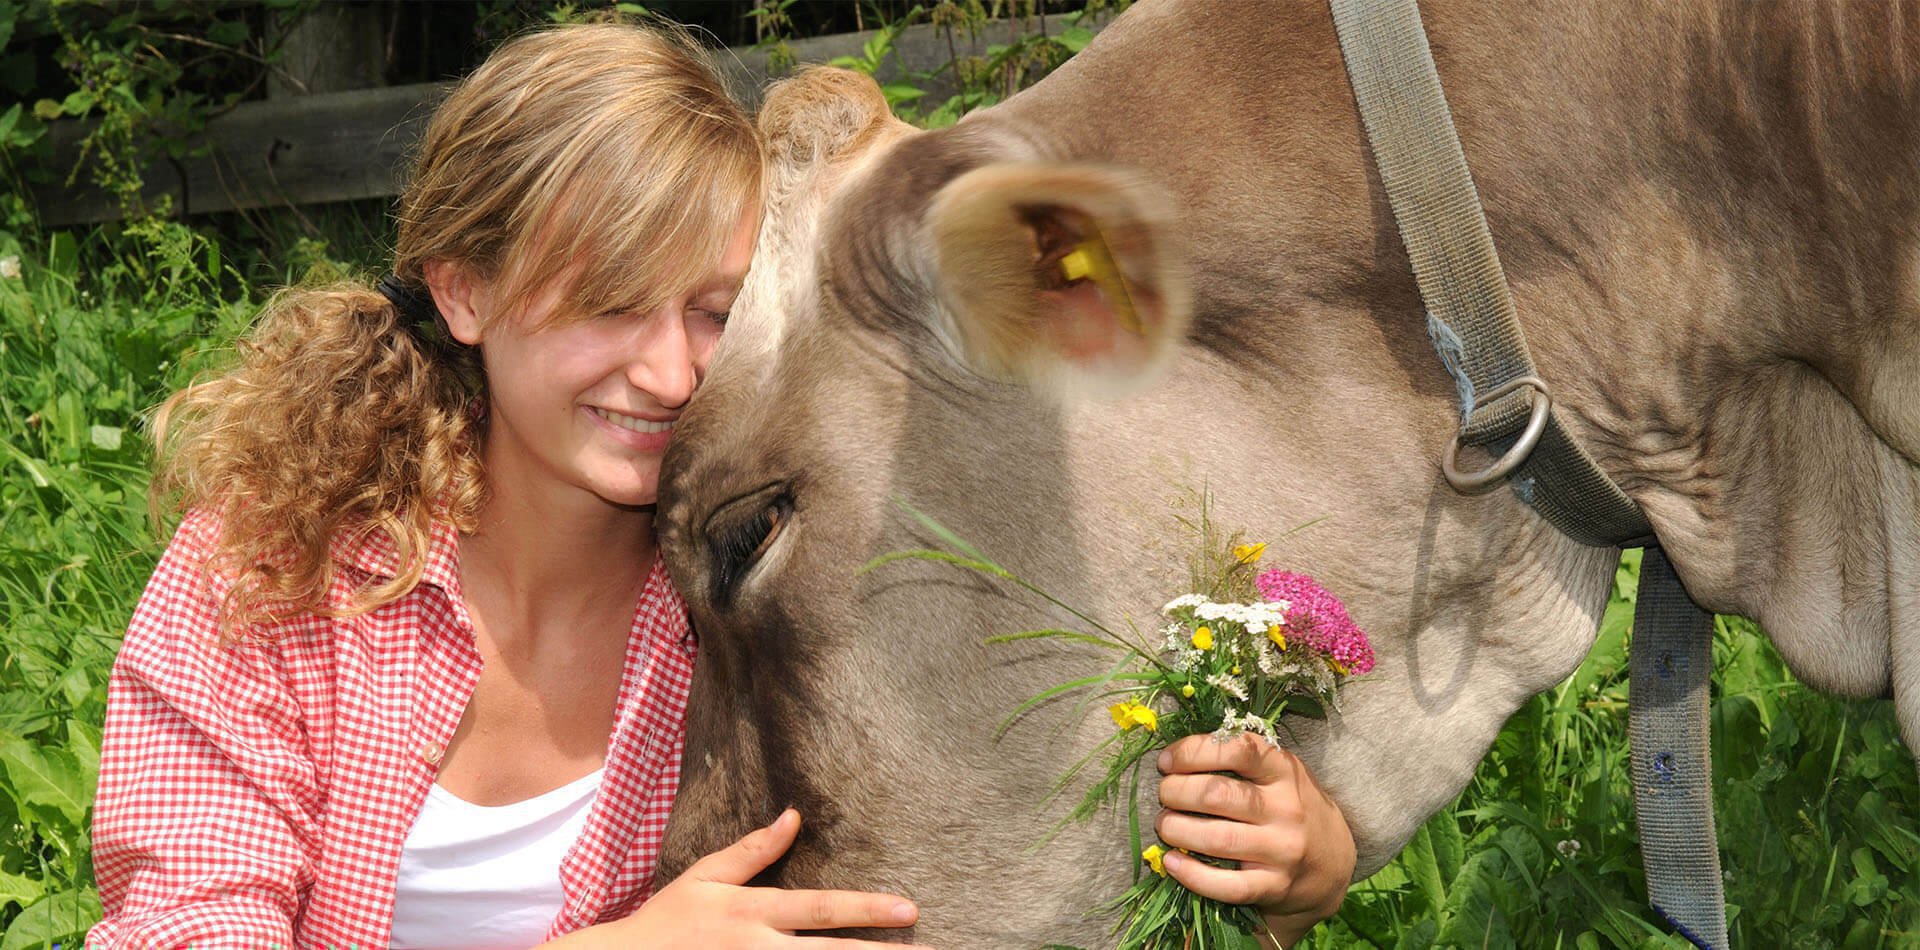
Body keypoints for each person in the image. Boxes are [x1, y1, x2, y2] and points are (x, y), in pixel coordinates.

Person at [86, 18, 1356, 950]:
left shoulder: (753, 584)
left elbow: (1007, 822)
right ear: (462, 289)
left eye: (711, 309)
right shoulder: (272, 571)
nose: (666, 370)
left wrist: (1306, 863)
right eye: (606, 303)